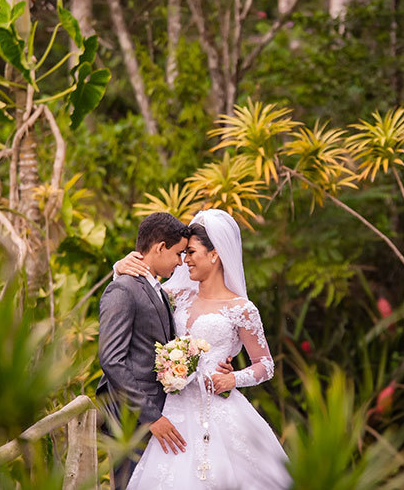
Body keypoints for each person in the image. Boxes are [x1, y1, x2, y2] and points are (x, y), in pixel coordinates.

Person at [114, 209, 290, 490]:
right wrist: (120, 268)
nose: (185, 260)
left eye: (191, 252)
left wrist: (233, 378)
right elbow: (137, 294)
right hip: (174, 409)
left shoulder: (241, 309)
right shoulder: (174, 295)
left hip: (219, 408)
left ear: (214, 254)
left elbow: (265, 364)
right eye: (183, 254)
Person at [96, 212, 233, 489]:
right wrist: (152, 417)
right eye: (178, 253)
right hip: (131, 417)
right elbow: (112, 361)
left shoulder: (157, 288)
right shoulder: (123, 289)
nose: (181, 262)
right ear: (159, 247)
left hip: (157, 410)